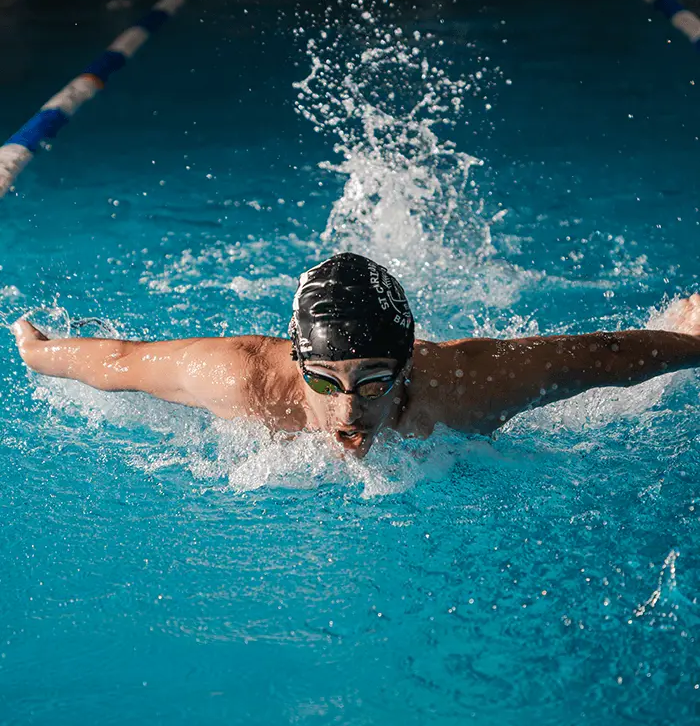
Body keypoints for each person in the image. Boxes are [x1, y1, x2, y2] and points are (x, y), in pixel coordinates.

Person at [11, 252, 700, 459]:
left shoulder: (458, 384)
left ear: (407, 364)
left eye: (374, 381)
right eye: (325, 380)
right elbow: (121, 364)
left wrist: (689, 342)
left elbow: (592, 358)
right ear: (296, 362)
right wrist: (41, 352)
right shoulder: (246, 379)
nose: (349, 412)